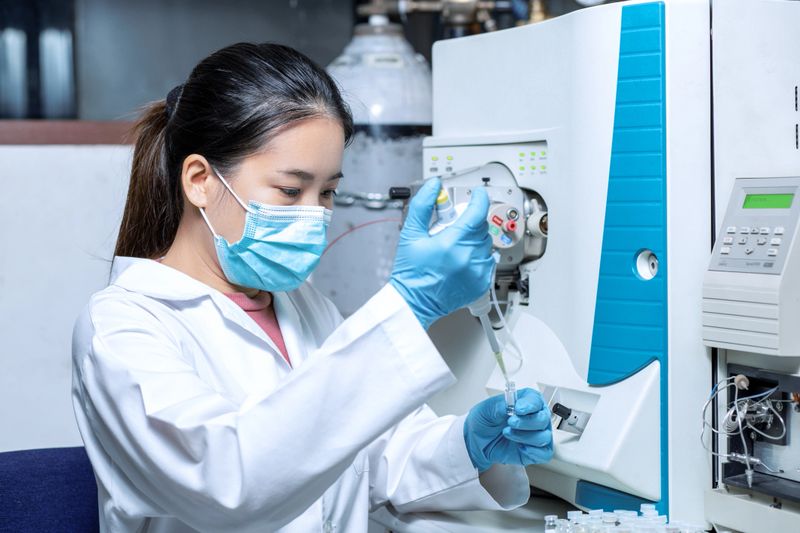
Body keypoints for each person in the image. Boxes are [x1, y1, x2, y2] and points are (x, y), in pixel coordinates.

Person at [71, 42, 553, 533]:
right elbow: (229, 481)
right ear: (199, 180)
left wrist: (468, 447)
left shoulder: (304, 307)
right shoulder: (122, 327)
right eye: (289, 190)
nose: (314, 213)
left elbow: (370, 459)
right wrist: (410, 307)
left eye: (327, 192)